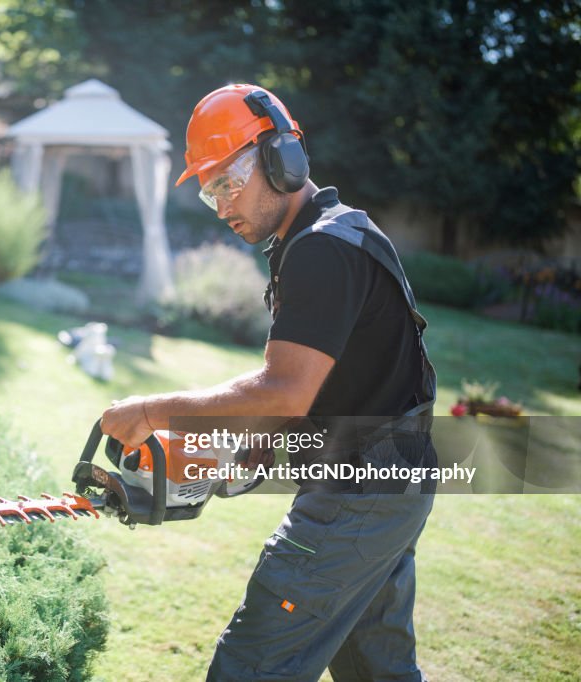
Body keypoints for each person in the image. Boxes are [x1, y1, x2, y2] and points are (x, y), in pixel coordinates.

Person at [100, 84, 439, 681]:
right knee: (375, 669)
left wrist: (153, 411)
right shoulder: (329, 235)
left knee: (250, 665)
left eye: (228, 182)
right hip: (385, 480)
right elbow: (333, 389)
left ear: (284, 160)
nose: (223, 205)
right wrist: (228, 448)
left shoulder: (322, 250)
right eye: (210, 192)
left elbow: (284, 389)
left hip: (361, 493)